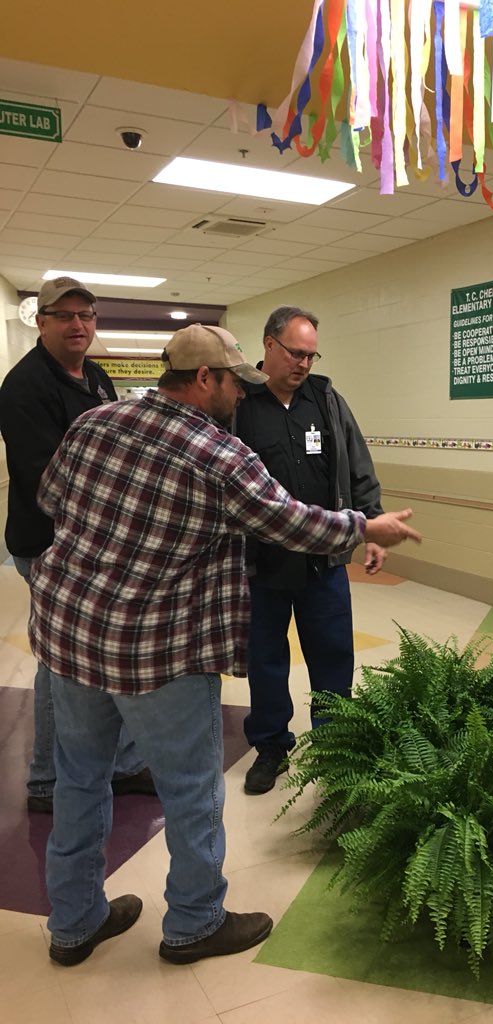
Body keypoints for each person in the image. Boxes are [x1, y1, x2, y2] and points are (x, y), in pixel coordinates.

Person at [28, 322, 420, 966]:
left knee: (79, 780)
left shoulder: (96, 423)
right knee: (191, 790)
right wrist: (365, 525)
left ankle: (74, 923)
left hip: (71, 638)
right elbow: (289, 521)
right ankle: (194, 922)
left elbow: (51, 498)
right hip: (158, 651)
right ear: (205, 379)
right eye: (233, 382)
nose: (240, 394)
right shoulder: (215, 452)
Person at [0, 275, 153, 814]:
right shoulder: (24, 388)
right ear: (40, 322)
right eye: (65, 315)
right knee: (59, 663)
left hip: (93, 544)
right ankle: (45, 782)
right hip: (48, 547)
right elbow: (48, 482)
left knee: (105, 650)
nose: (78, 324)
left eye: (86, 315)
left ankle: (125, 764)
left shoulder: (95, 375)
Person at [235, 306, 386, 795]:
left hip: (323, 562)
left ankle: (334, 742)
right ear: (268, 346)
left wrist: (372, 528)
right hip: (261, 564)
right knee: (266, 659)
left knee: (333, 654)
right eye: (295, 353)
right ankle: (272, 745)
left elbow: (357, 465)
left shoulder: (325, 400)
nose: (303, 363)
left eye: (310, 354)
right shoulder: (240, 402)